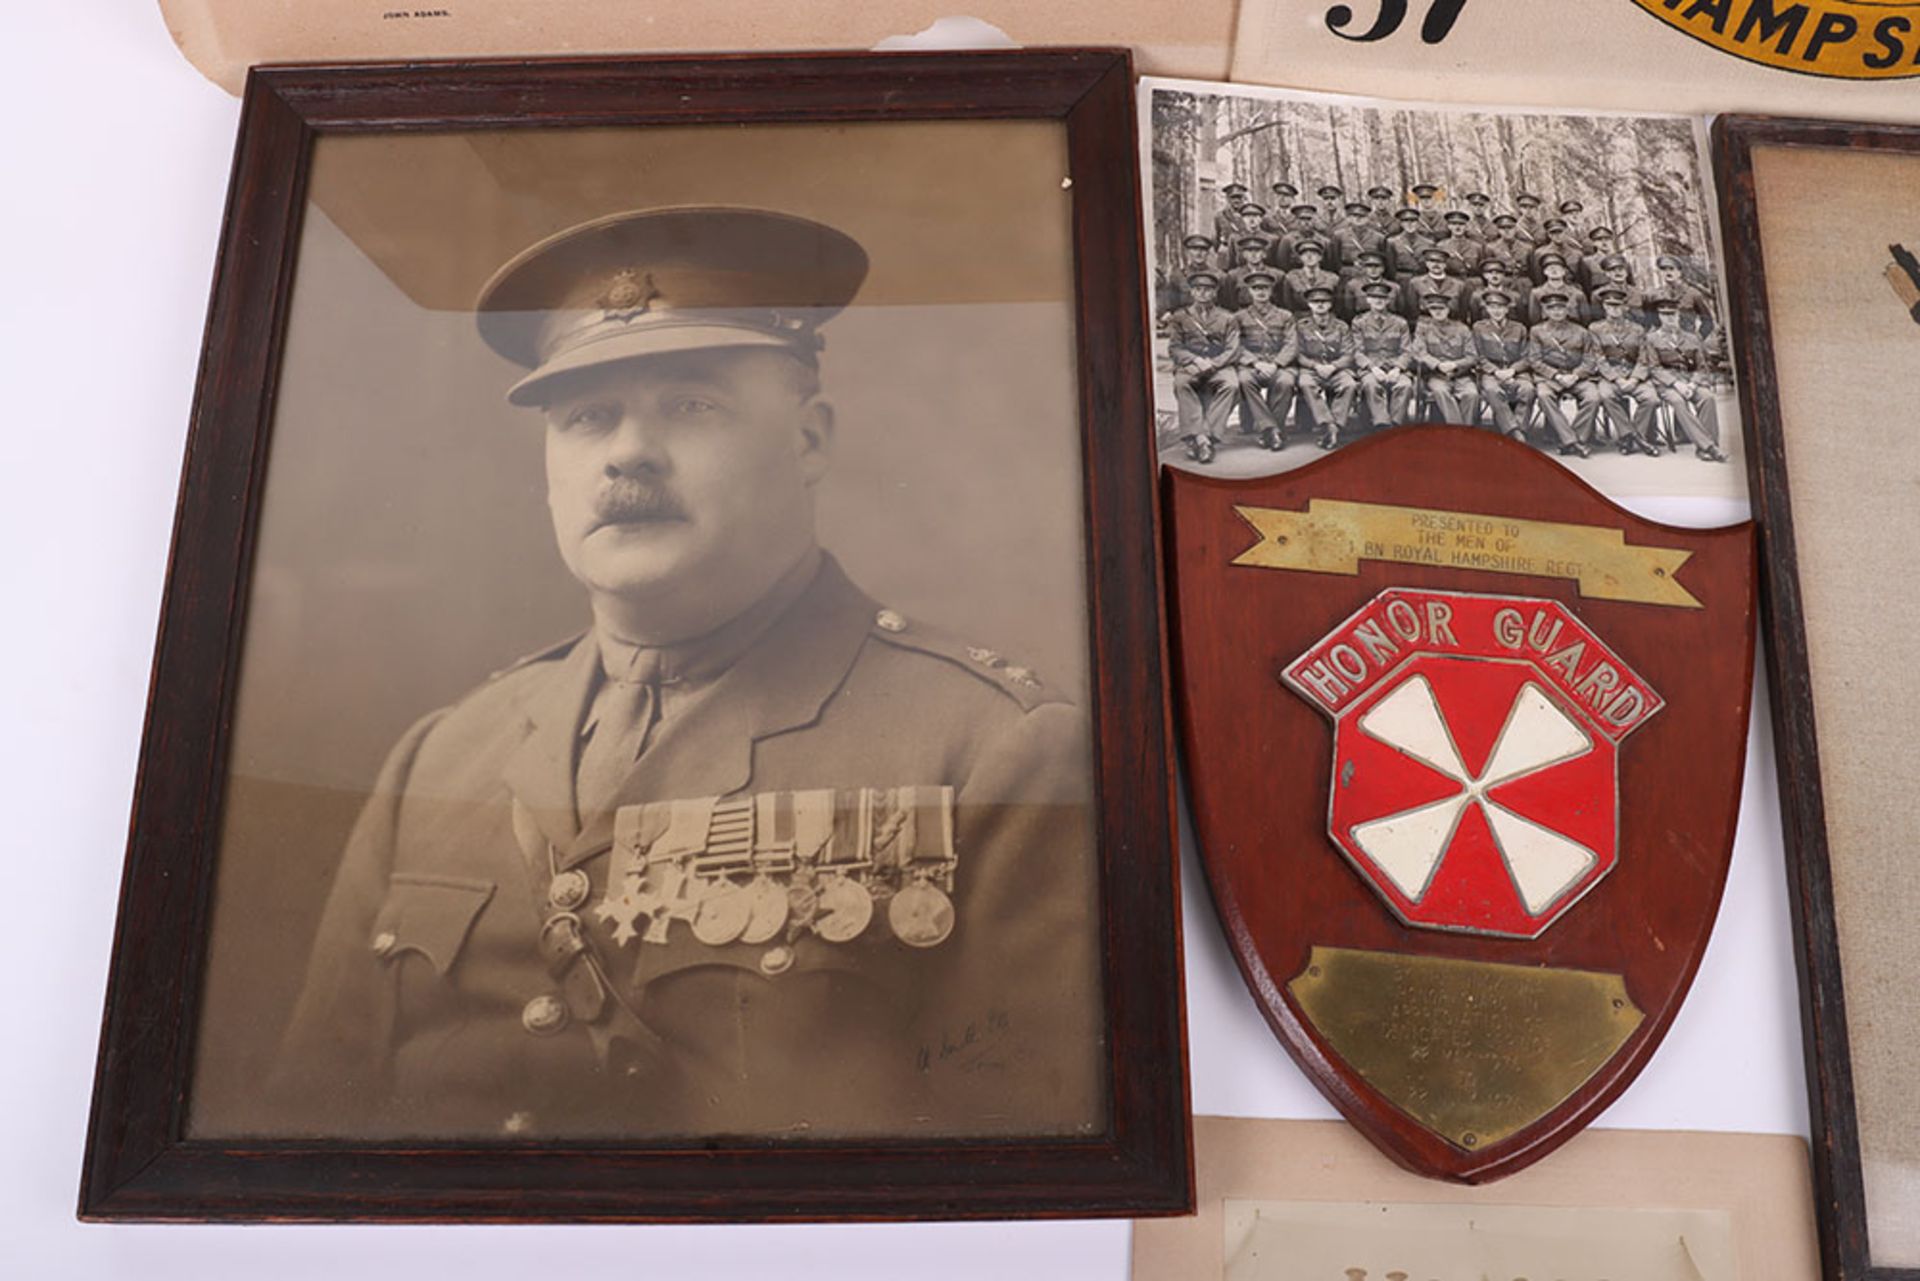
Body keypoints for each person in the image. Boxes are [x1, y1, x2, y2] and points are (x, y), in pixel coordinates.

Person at [269, 206, 1106, 1140]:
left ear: (809, 441)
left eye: (692, 404)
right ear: (550, 466)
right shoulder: (437, 759)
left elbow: (1018, 1179)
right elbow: (312, 1129)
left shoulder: (994, 749)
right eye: (589, 417)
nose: (628, 451)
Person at [1641, 295, 1728, 461]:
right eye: (1665, 315)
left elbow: (1702, 366)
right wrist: (1676, 384)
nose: (1670, 319)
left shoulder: (1692, 338)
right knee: (1678, 402)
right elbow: (1654, 368)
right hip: (1667, 384)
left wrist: (1693, 384)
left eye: (1672, 314)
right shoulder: (1651, 339)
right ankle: (1709, 447)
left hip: (1690, 380)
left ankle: (1705, 448)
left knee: (1708, 397)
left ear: (1678, 315)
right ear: (1659, 316)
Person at [1169, 268, 1241, 463]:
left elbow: (1233, 349)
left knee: (1232, 385)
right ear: (1191, 292)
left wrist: (1213, 363)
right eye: (1198, 289)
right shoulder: (1180, 317)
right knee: (1181, 383)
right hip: (1191, 364)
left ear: (1215, 292)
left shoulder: (1227, 317)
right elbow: (1175, 348)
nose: (1203, 293)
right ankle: (1202, 438)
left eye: (1208, 289)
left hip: (1220, 365)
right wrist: (1195, 360)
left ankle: (1202, 437)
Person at [1527, 288, 1601, 456]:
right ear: (1546, 310)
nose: (1557, 312)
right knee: (1544, 396)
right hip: (1550, 377)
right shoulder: (1537, 331)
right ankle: (1572, 441)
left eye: (1560, 308)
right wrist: (1557, 376)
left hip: (1577, 377)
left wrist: (1576, 375)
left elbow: (1590, 359)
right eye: (1552, 308)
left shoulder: (1581, 331)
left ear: (1567, 310)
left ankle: (1575, 439)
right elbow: (1535, 360)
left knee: (1593, 397)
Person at [1232, 269, 1299, 451]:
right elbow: (1236, 345)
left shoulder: (1285, 316)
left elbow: (1291, 344)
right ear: (1250, 291)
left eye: (1265, 288)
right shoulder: (1239, 317)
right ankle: (1272, 430)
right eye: (1256, 288)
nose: (1261, 292)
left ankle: (1269, 430)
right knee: (1244, 380)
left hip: (1279, 364)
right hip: (1253, 365)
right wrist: (1255, 363)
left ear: (1271, 291)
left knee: (1286, 381)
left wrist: (1276, 364)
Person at [1588, 284, 1657, 453]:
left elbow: (1643, 358)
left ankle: (1632, 438)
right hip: (1611, 376)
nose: (1614, 309)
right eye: (1610, 305)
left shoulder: (1637, 329)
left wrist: (1634, 379)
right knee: (1606, 395)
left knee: (1651, 398)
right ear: (1604, 306)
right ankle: (1632, 437)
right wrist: (1617, 379)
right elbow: (1599, 358)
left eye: (1618, 305)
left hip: (1634, 375)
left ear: (1625, 307)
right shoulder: (1595, 328)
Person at [1294, 285, 1358, 449]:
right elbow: (1298, 353)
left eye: (1324, 301)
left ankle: (1335, 425)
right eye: (1315, 302)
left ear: (1330, 304)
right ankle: (1327, 424)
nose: (1320, 305)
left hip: (1336, 368)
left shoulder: (1341, 326)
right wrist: (1315, 366)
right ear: (1309, 304)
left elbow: (1348, 353)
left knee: (1349, 384)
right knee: (1306, 384)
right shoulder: (1301, 326)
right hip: (1311, 368)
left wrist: (1333, 366)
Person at [1350, 279, 1415, 429]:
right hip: (1371, 368)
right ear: (1368, 300)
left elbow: (1407, 351)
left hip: (1394, 366)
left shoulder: (1400, 322)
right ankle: (1382, 424)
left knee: (1405, 385)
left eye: (1382, 298)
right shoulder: (1359, 322)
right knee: (1371, 384)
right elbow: (1357, 351)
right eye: (1374, 298)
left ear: (1388, 300)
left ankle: (1395, 424)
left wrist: (1398, 368)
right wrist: (1372, 368)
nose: (1378, 301)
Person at [1473, 288, 1536, 438]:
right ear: (1487, 309)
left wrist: (1512, 371)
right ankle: (1514, 432)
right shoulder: (1479, 327)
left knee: (1528, 390)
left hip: (1516, 372)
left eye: (1501, 307)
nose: (1497, 311)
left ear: (1507, 309)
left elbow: (1527, 356)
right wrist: (1495, 371)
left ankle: (1520, 428)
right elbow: (1478, 356)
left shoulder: (1519, 328)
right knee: (1493, 390)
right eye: (1492, 307)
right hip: (1491, 372)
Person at [1412, 289, 1480, 424]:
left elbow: (1472, 356)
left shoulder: (1462, 329)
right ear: (1429, 311)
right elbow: (1419, 352)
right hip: (1436, 376)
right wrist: (1437, 364)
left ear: (1448, 309)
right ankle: (1459, 432)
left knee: (1472, 394)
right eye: (1433, 309)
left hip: (1461, 375)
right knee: (1441, 392)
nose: (1438, 312)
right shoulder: (1423, 329)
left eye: (1441, 308)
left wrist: (1455, 365)